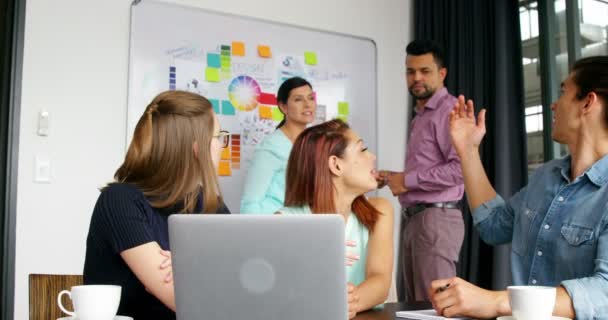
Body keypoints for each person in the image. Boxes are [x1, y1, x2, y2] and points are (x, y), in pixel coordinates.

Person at [429, 56, 608, 319]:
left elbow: (603, 292)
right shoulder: (546, 176)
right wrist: (467, 151)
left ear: (588, 102)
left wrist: (497, 301)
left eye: (563, 92)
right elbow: (493, 225)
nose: (553, 104)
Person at [83, 90, 230, 320]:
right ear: (196, 147)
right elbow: (183, 299)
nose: (222, 145)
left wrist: (188, 267)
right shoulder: (119, 201)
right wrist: (205, 266)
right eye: (218, 136)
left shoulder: (210, 204)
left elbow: (244, 280)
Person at [277, 119, 394, 319]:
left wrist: (345, 302)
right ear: (336, 165)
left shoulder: (379, 211)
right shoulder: (284, 223)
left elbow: (380, 280)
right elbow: (283, 294)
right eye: (362, 149)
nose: (372, 156)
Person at [379, 40, 464, 302]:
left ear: (442, 73)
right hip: (418, 219)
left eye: (424, 71)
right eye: (410, 71)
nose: (416, 78)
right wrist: (394, 178)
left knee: (436, 307)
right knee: (417, 308)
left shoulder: (449, 111)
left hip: (436, 220)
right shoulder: (422, 115)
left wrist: (407, 180)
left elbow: (461, 169)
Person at [240, 76, 317, 214]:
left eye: (311, 98)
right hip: (274, 226)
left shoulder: (314, 144)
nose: (308, 104)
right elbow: (250, 203)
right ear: (283, 107)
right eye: (298, 99)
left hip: (302, 225)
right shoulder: (271, 147)